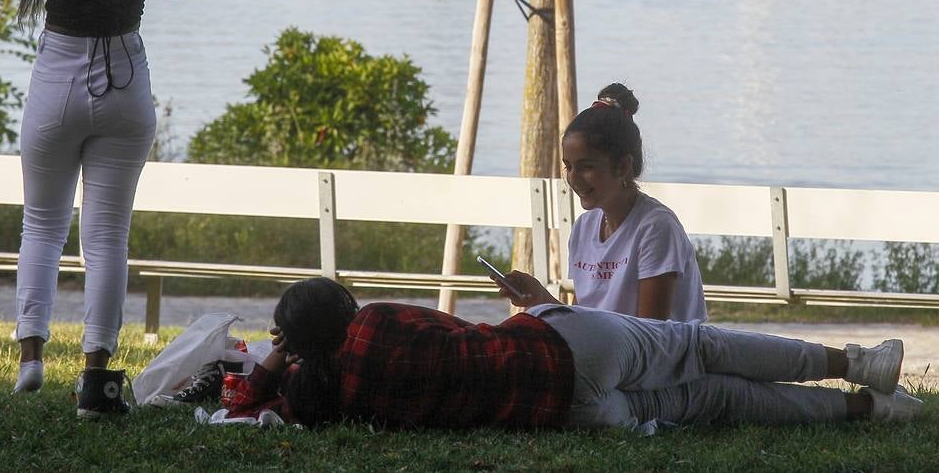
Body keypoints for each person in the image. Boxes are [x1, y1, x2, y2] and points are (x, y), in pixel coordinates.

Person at [0, 0, 188, 416]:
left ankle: (31, 358)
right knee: (106, 238)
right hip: (127, 88)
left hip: (58, 83)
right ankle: (96, 378)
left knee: (43, 228)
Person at [230, 278, 922, 431]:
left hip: (565, 414)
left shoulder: (327, 400)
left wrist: (274, 362)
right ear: (343, 308)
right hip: (560, 346)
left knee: (713, 397)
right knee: (700, 346)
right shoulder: (376, 321)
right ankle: (858, 363)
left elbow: (245, 406)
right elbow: (457, 328)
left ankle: (869, 410)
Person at [499, 83, 707, 322]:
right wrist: (538, 297)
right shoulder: (584, 228)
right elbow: (582, 321)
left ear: (623, 167)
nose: (573, 178)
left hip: (656, 358)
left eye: (587, 167)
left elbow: (652, 336)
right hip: (608, 354)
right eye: (568, 166)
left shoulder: (655, 227)